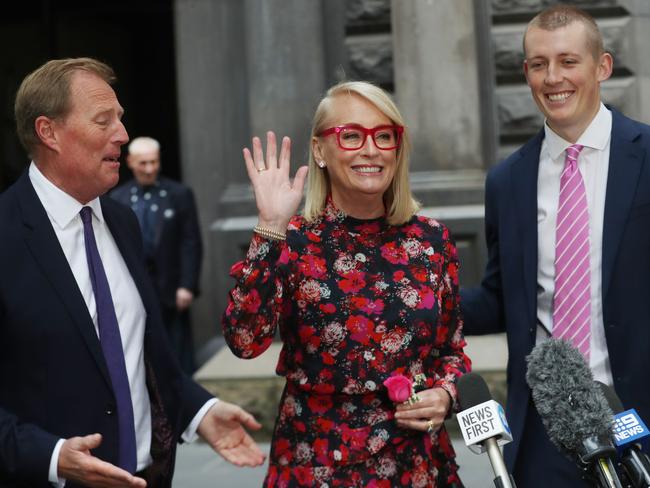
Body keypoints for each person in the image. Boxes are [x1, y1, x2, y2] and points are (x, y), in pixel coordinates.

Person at [0, 57, 265, 488]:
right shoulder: (7, 234)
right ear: (48, 132)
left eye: (120, 119)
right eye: (103, 121)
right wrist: (50, 456)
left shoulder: (122, 222)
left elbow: (144, 354)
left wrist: (199, 411)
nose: (122, 135)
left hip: (150, 475)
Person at [222, 80, 471, 487]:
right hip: (318, 463)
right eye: (350, 135)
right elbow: (244, 341)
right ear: (320, 150)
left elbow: (451, 352)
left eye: (383, 136)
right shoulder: (293, 239)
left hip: (417, 464)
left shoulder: (431, 241)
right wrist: (270, 227)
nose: (370, 149)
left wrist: (444, 394)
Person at [461, 5, 650, 487]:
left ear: (601, 67)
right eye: (539, 64)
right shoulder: (506, 181)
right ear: (526, 72)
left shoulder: (647, 156)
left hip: (639, 419)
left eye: (568, 61)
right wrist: (404, 290)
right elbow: (501, 299)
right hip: (547, 434)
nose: (553, 78)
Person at [111, 136, 202, 374]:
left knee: (177, 351)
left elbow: (190, 241)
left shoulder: (179, 194)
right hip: (134, 286)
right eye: (143, 163)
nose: (150, 169)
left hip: (171, 288)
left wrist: (187, 285)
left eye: (154, 162)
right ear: (130, 161)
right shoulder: (116, 198)